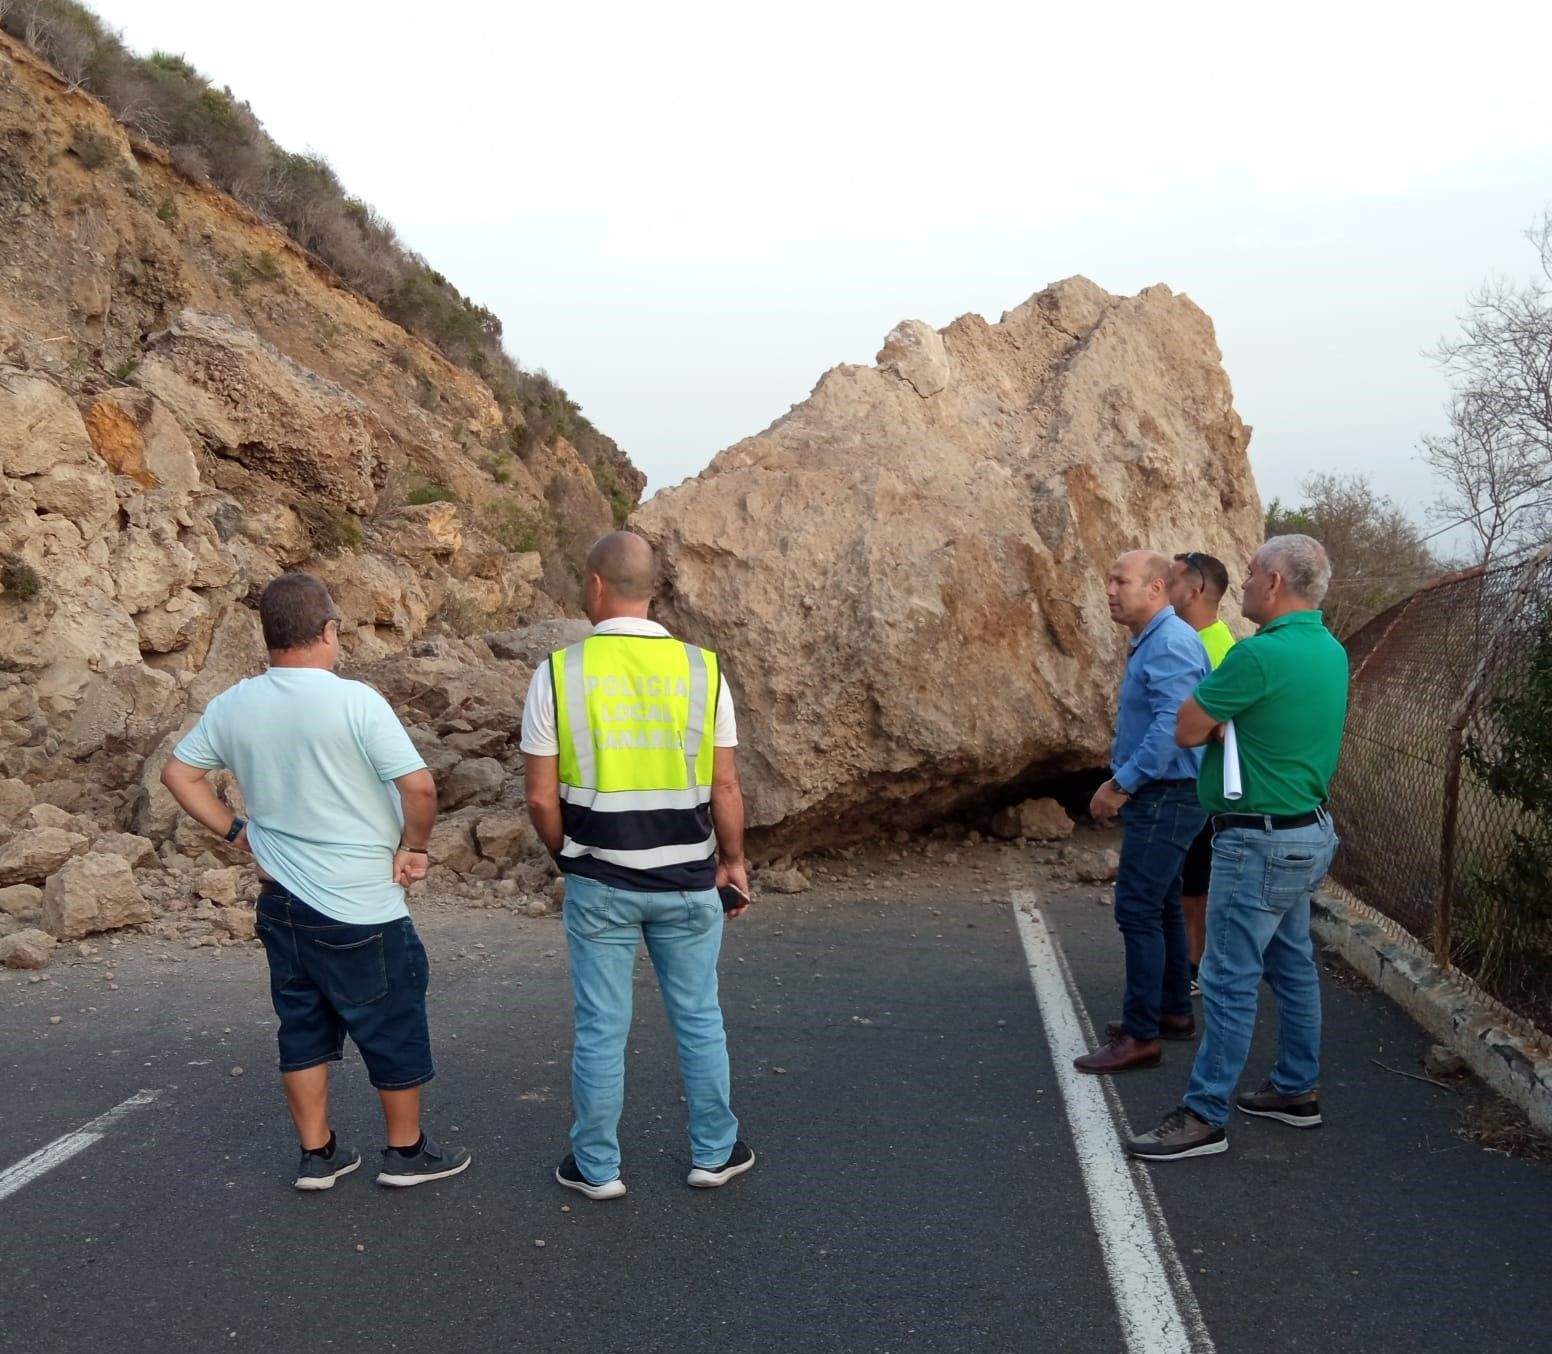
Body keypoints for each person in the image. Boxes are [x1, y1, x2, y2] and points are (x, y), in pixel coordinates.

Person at [160, 573, 470, 1191]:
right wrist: (415, 848)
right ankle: (405, 1154)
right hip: (361, 905)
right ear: (328, 630)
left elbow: (178, 775)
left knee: (301, 1025)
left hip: (282, 903)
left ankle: (318, 1155)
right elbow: (420, 786)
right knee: (392, 1022)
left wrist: (236, 832)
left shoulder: (232, 705)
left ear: (268, 635)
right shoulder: (354, 701)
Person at [521, 531, 753, 1200]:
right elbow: (726, 787)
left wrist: (568, 857)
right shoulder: (704, 671)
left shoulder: (559, 673)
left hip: (600, 881)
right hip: (687, 880)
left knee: (601, 1027)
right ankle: (713, 1153)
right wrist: (732, 863)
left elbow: (539, 795)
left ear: (596, 585)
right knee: (699, 1016)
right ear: (650, 589)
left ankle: (597, 1168)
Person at [1127, 534, 1348, 1161]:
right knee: (1293, 964)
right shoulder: (1331, 651)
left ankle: (1204, 1116)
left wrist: (1223, 714)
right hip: (1309, 832)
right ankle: (1295, 1090)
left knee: (1226, 979)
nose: (1244, 584)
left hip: (1256, 841)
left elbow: (1188, 724)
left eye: (1251, 574)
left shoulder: (1256, 657)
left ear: (1274, 583)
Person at [1075, 551, 1210, 1074]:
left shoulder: (1171, 644)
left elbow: (1172, 727)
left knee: (1136, 909)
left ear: (1156, 588)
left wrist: (1120, 784)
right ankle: (1172, 1011)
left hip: (1167, 793)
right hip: (1169, 791)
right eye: (1108, 578)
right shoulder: (1156, 640)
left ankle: (1140, 1036)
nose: (1109, 589)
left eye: (1120, 580)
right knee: (1161, 905)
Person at [1166, 551, 1237, 995]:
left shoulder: (1214, 648)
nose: (1162, 586)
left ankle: (1197, 967)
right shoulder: (1203, 639)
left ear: (1193, 591)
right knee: (1189, 885)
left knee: (1197, 886)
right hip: (1194, 784)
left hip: (1201, 788)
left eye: (1170, 580)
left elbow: (1208, 727)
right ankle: (1192, 964)